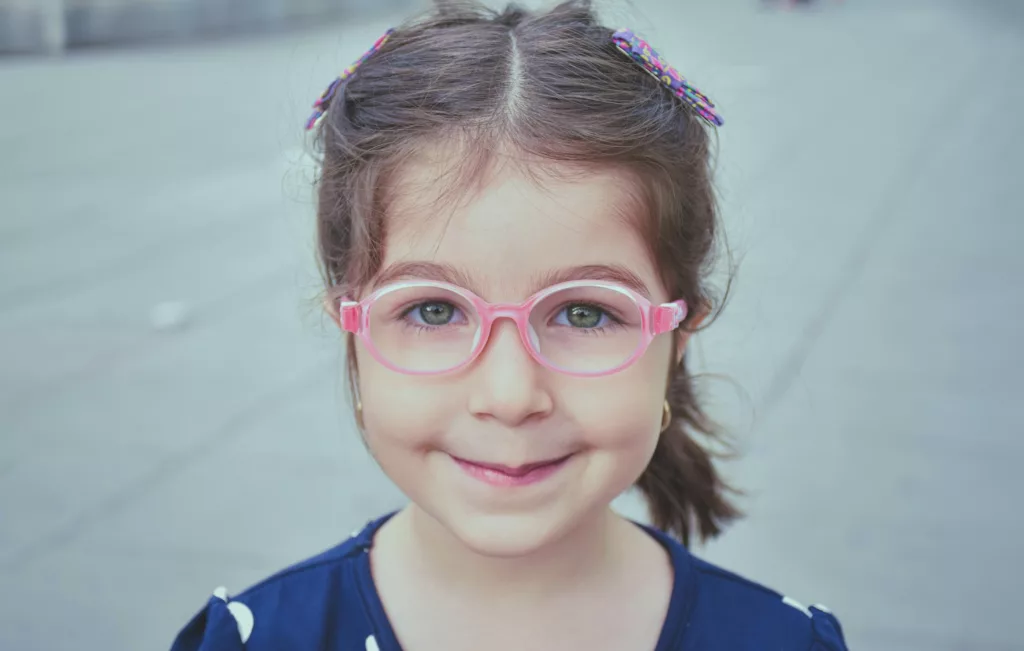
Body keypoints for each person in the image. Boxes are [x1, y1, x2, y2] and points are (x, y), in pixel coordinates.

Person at [170, 1, 849, 649]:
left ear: (678, 339)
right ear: (351, 328)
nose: (510, 394)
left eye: (585, 313)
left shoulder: (782, 642)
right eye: (433, 309)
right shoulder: (260, 639)